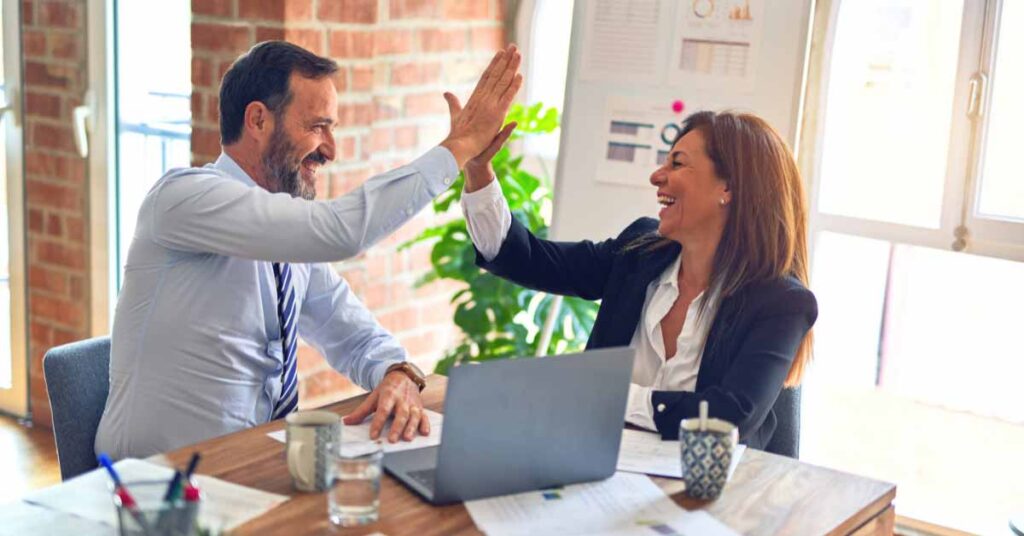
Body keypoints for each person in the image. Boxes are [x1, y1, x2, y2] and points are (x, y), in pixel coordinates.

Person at [95, 41, 522, 459]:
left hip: (252, 468)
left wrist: (397, 372)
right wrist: (460, 146)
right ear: (258, 121)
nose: (330, 150)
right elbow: (341, 231)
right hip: (154, 490)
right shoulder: (184, 198)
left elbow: (352, 332)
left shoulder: (286, 241)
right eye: (318, 126)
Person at [460, 111, 817, 450]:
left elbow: (727, 418)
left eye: (677, 163)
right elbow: (529, 260)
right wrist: (478, 170)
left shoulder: (781, 303)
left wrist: (608, 395)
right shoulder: (639, 252)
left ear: (729, 188)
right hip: (598, 468)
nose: (657, 176)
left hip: (709, 497)